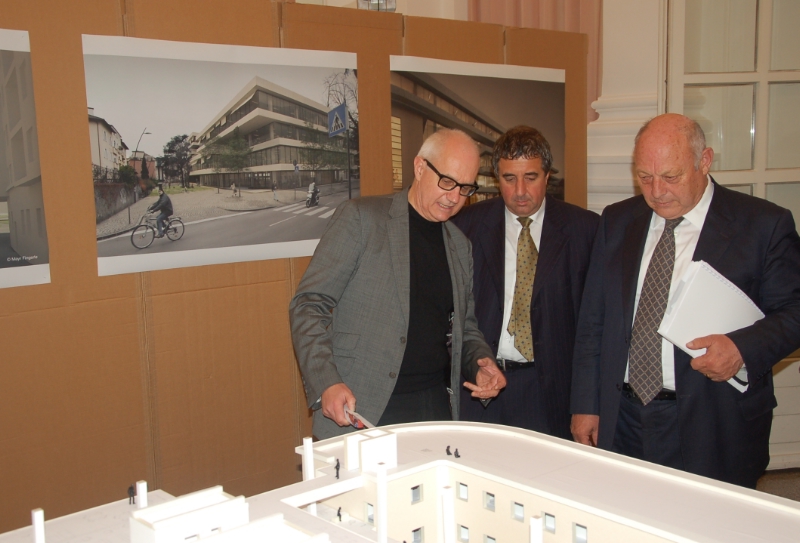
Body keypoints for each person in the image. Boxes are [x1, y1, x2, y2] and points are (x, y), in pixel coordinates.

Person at [570, 113, 800, 488]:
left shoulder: (762, 224)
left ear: (704, 161)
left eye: (671, 176)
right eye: (645, 177)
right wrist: (585, 405)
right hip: (623, 415)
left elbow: (794, 311)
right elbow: (593, 320)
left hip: (715, 419)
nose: (657, 191)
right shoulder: (617, 220)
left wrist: (742, 349)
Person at [290, 128, 506, 440]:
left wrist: (480, 362)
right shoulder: (361, 219)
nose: (454, 197)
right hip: (361, 403)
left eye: (465, 188)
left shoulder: (460, 245)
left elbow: (465, 326)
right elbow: (309, 304)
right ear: (419, 167)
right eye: (447, 181)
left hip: (433, 403)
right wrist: (326, 381)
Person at [451, 126, 598, 438]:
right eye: (509, 178)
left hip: (550, 393)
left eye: (530, 177)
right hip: (480, 386)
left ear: (547, 176)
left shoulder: (585, 230)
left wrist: (587, 403)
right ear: (496, 178)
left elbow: (594, 326)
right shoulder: (464, 226)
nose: (520, 191)